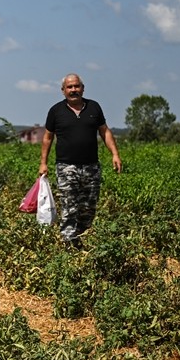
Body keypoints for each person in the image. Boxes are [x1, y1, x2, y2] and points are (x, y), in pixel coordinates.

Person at [39, 73, 122, 245]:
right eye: (69, 87)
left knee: (88, 207)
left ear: (83, 88)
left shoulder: (94, 107)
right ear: (63, 90)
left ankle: (82, 239)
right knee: (69, 205)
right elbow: (47, 137)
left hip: (91, 167)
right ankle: (68, 243)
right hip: (66, 166)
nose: (73, 90)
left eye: (76, 86)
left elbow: (104, 132)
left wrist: (115, 154)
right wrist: (43, 163)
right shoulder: (56, 111)